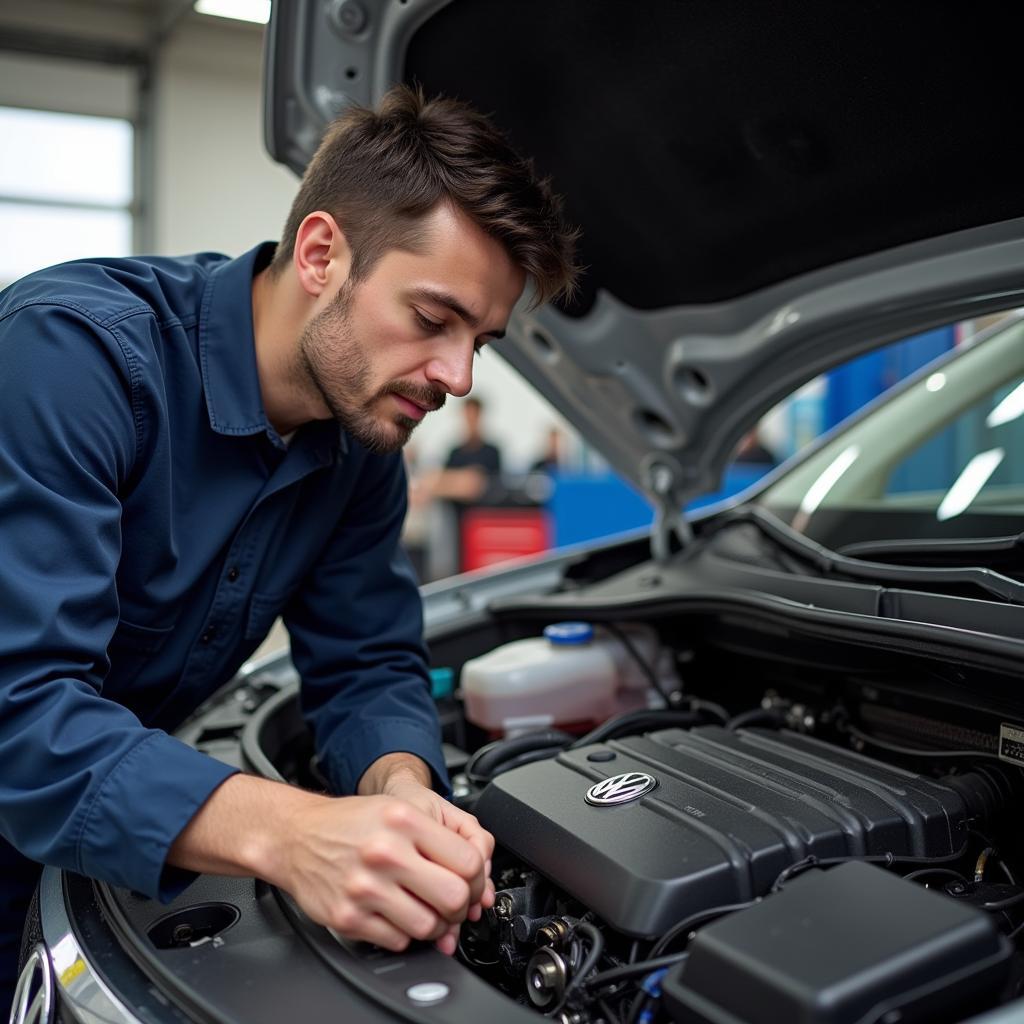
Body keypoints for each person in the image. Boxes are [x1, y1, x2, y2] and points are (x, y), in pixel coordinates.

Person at [0, 84, 579, 1012]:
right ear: (321, 253)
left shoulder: (360, 448)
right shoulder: (73, 362)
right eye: (433, 319)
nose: (459, 377)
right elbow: (20, 717)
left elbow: (365, 662)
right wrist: (293, 832)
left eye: (482, 340)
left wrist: (402, 790)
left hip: (95, 851)